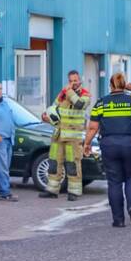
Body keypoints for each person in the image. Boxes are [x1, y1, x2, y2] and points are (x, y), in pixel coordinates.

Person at [83, 73, 131, 227]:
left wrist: (86, 144)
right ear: (124, 84)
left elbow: (93, 127)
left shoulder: (101, 103)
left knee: (114, 182)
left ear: (110, 85)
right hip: (130, 144)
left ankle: (118, 220)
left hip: (109, 145)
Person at [40, 70, 91, 201]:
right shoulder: (63, 93)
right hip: (58, 135)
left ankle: (74, 192)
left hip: (73, 138)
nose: (73, 83)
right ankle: (52, 189)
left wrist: (68, 91)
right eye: (70, 81)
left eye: (75, 80)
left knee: (72, 164)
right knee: (54, 162)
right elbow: (54, 108)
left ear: (80, 81)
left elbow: (79, 105)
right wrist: (47, 117)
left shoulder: (85, 94)